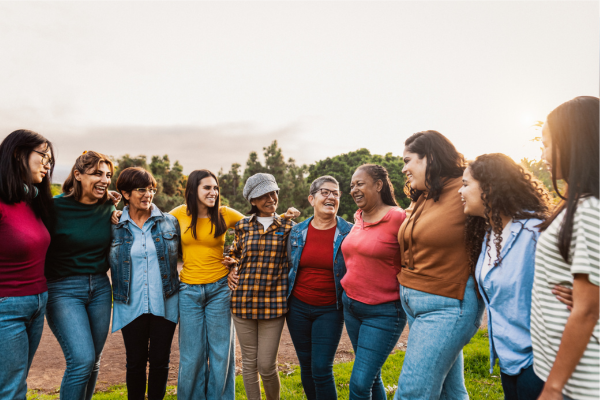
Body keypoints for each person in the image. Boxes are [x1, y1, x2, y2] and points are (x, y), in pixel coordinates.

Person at [171, 169, 299, 400]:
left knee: (222, 355)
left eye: (215, 187)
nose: (213, 192)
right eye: (207, 187)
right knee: (191, 356)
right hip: (189, 290)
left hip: (220, 289)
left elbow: (261, 227)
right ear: (193, 190)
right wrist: (116, 212)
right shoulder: (178, 214)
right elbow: (151, 221)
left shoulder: (225, 213)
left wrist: (234, 265)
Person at [395, 130, 484, 400]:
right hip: (416, 305)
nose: (404, 168)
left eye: (408, 160)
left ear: (430, 158)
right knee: (451, 394)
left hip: (447, 307)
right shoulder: (423, 195)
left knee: (411, 393)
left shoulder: (465, 188)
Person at [458, 153, 551, 399]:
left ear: (488, 188)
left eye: (466, 184)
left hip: (540, 363)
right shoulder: (489, 236)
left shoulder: (535, 233)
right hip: (508, 362)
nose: (460, 191)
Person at [532, 96, 599, 400]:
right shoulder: (573, 204)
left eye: (547, 143)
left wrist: (554, 387)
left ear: (576, 143)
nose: (543, 153)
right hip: (559, 367)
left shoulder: (589, 209)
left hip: (580, 380)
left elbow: (586, 310)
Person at [44, 151, 117, 400]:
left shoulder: (109, 206)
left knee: (94, 360)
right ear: (78, 174)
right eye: (97, 173)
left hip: (99, 286)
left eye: (108, 175)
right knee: (81, 360)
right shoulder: (54, 207)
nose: (105, 180)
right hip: (62, 289)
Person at [109, 167, 181, 400]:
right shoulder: (114, 225)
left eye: (151, 189)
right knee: (135, 363)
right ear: (126, 193)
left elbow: (191, 255)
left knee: (161, 362)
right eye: (141, 189)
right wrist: (108, 205)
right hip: (131, 304)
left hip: (165, 302)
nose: (147, 194)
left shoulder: (170, 222)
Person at [225, 173, 297, 400]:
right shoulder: (242, 226)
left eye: (273, 193)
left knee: (266, 365)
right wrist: (231, 267)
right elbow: (234, 254)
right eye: (263, 195)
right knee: (248, 363)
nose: (271, 198)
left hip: (273, 305)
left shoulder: (289, 226)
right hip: (242, 303)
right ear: (253, 201)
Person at [341, 164, 406, 400]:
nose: (354, 190)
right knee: (372, 376)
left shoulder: (399, 218)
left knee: (359, 385)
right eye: (352, 186)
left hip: (384, 313)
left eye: (360, 184)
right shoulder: (359, 216)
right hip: (351, 306)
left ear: (378, 185)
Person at [286, 175, 353, 400]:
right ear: (311, 199)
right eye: (325, 192)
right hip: (297, 309)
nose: (331, 197)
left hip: (330, 309)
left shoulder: (350, 233)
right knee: (306, 367)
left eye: (336, 193)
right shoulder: (297, 232)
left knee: (322, 368)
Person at [0, 130, 54, 399]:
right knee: (11, 390)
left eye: (50, 159)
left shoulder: (32, 201)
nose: (48, 164)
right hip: (6, 307)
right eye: (43, 156)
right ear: (18, 154)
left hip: (37, 303)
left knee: (17, 383)